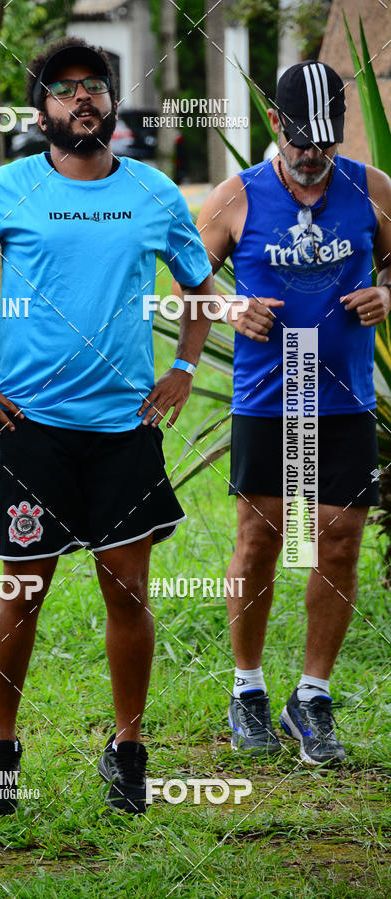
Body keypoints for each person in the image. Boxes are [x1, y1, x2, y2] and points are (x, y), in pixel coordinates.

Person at [0, 37, 214, 814]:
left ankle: (127, 747)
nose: (80, 98)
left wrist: (185, 367)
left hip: (124, 429)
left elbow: (199, 283)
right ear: (42, 109)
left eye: (94, 87)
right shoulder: (8, 188)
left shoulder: (154, 194)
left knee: (128, 590)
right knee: (23, 591)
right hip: (32, 429)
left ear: (112, 104)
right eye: (64, 88)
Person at [192, 60, 391, 764]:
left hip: (344, 396)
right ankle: (247, 689)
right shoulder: (236, 197)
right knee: (261, 537)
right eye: (301, 139)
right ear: (275, 125)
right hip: (268, 396)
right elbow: (189, 277)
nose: (313, 155)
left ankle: (312, 697)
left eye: (326, 141)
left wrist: (386, 293)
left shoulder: (370, 189)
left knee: (338, 540)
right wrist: (228, 305)